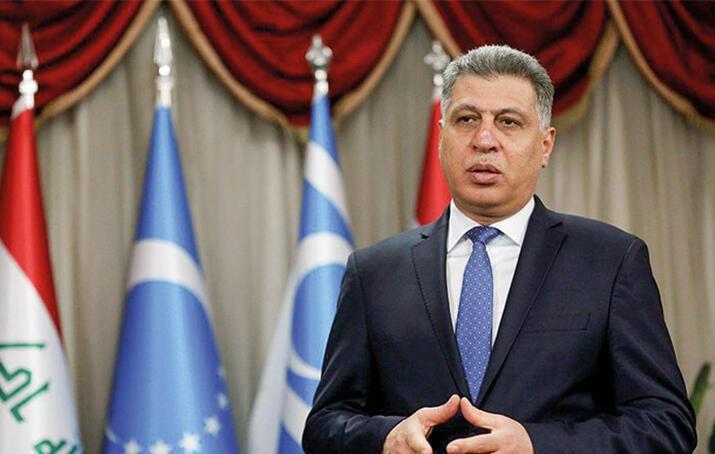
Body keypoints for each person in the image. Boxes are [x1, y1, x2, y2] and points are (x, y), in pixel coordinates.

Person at [302, 45, 696, 454]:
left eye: (508, 122)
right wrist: (387, 438)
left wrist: (537, 445)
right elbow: (325, 424)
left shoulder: (610, 262)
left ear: (545, 146)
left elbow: (666, 424)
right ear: (442, 137)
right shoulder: (374, 273)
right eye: (467, 119)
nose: (484, 140)